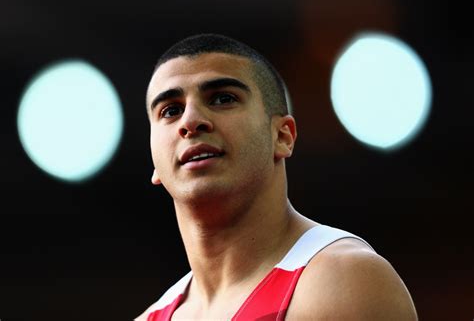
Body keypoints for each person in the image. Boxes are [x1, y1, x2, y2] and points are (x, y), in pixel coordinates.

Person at [136, 33, 418, 320]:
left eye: (223, 99)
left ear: (282, 136)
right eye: (171, 110)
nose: (191, 121)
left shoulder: (344, 280)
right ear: (154, 160)